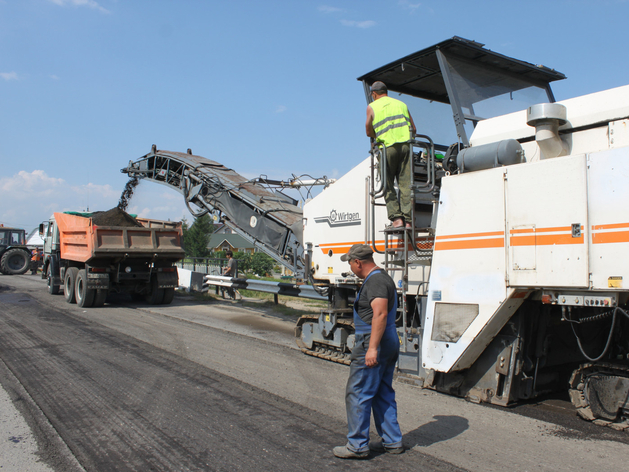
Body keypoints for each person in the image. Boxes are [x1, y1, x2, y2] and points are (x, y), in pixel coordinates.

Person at [333, 244, 404, 459]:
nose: (350, 267)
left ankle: (357, 445)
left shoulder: (375, 282)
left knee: (358, 392)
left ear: (358, 263)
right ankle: (392, 441)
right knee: (382, 390)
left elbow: (380, 314)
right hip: (389, 338)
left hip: (373, 340)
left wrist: (372, 348)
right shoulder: (383, 278)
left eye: (350, 263)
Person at [366, 81, 416, 229]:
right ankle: (407, 220)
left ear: (374, 94)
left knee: (387, 184)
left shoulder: (372, 106)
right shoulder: (402, 104)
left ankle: (396, 219)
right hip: (406, 147)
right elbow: (413, 128)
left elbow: (368, 131)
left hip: (387, 148)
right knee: (406, 185)